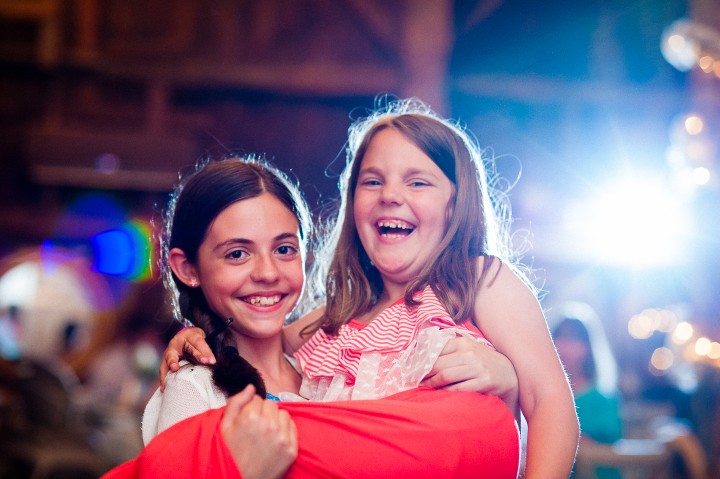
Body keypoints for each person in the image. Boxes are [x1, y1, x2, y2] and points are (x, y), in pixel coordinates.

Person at [163, 98, 579, 478]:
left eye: (418, 182)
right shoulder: (331, 323)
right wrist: (192, 334)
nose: (390, 196)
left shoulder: (478, 282)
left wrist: (511, 377)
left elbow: (551, 405)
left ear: (456, 203)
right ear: (353, 205)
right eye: (372, 182)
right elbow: (250, 343)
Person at [104, 154, 521, 478]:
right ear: (188, 269)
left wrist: (505, 379)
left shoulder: (329, 369)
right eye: (237, 253)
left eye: (285, 249)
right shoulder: (195, 388)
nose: (267, 273)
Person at [551, 302, 623, 479]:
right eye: (559, 337)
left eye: (573, 338)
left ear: (588, 347)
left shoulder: (603, 398)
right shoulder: (547, 396)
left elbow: (610, 442)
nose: (564, 345)